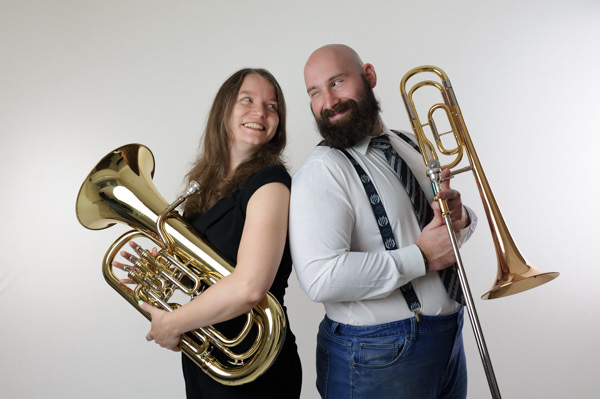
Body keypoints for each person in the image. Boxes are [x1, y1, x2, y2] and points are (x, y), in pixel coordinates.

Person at [289, 44, 478, 398]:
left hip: (448, 338)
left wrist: (460, 218)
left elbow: (439, 234)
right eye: (315, 92)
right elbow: (319, 279)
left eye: (337, 82)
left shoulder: (409, 143)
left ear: (369, 76)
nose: (328, 102)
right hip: (378, 356)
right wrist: (420, 258)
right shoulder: (321, 172)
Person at [114, 68, 302, 398]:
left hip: (255, 362)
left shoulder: (271, 183)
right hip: (208, 357)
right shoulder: (201, 189)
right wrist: (164, 270)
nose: (260, 112)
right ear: (224, 109)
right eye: (248, 100)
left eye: (272, 106)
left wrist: (173, 324)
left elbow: (249, 287)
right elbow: (205, 283)